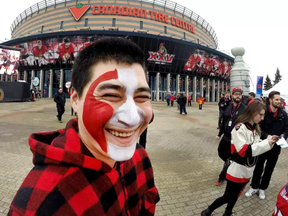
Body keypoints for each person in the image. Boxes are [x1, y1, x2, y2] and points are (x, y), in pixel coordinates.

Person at [8, 37, 159, 216]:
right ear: (75, 100)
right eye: (111, 95)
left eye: (141, 97)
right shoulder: (42, 204)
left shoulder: (140, 157)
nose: (133, 118)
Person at [201, 101, 279, 216]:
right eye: (260, 115)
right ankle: (208, 211)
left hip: (248, 170)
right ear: (252, 112)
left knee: (237, 194)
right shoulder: (239, 128)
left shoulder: (255, 128)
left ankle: (228, 212)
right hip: (237, 170)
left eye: (263, 115)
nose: (262, 118)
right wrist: (267, 143)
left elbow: (259, 138)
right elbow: (244, 151)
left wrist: (269, 137)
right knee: (227, 196)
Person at [245, 91, 288, 199]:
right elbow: (257, 127)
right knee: (258, 167)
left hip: (276, 147)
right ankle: (254, 187)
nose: (279, 101)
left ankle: (262, 188)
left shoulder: (283, 114)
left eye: (279, 100)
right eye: (276, 99)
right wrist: (268, 136)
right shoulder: (263, 112)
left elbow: (287, 129)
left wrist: (282, 136)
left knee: (269, 169)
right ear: (270, 100)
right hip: (263, 145)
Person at [216, 87, 246, 186]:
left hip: (236, 139)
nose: (238, 96)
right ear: (232, 95)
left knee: (230, 159)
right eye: (236, 94)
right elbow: (224, 121)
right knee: (220, 152)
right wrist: (219, 133)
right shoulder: (228, 107)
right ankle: (228, 163)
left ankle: (222, 177)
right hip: (226, 136)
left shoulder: (244, 109)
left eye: (239, 94)